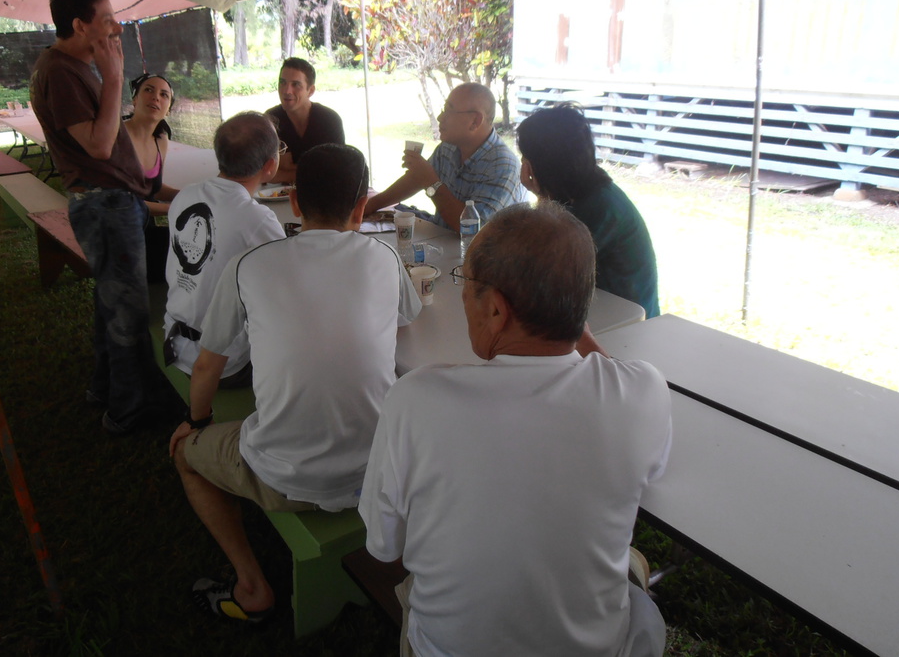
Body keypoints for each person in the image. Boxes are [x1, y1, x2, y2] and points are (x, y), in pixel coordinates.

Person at [359, 202, 673, 657]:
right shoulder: (643, 390)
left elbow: (384, 547)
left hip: (449, 649)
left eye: (465, 282)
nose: (463, 294)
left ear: (496, 311)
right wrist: (571, 324)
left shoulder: (416, 398)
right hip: (598, 647)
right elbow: (640, 437)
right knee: (632, 562)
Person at [170, 143, 421, 623]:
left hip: (284, 477)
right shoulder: (383, 256)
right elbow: (407, 317)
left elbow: (207, 366)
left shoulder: (251, 265)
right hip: (377, 469)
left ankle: (250, 584)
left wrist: (195, 422)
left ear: (295, 203)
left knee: (185, 455)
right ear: (362, 207)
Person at [30, 0, 166, 435]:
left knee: (112, 304)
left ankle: (104, 389)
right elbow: (101, 146)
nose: (117, 26)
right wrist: (112, 77)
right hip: (103, 204)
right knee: (128, 310)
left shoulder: (74, 66)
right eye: (107, 19)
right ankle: (129, 411)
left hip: (114, 202)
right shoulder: (61, 71)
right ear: (79, 25)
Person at [163, 112, 286, 384]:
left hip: (175, 341)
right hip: (224, 363)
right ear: (270, 165)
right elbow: (289, 283)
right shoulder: (256, 218)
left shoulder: (185, 195)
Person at [516, 103, 661, 318]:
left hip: (629, 325)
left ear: (545, 164)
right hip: (598, 313)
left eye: (526, 159)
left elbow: (541, 273)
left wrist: (540, 195)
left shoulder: (600, 207)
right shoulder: (578, 189)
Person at [363, 82, 526, 232]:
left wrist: (431, 183)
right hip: (444, 242)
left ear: (475, 121)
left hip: (481, 258)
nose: (441, 117)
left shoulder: (503, 167)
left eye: (449, 110)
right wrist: (370, 206)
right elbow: (415, 179)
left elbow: (471, 230)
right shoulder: (450, 147)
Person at [123, 72, 180, 283]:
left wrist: (184, 194)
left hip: (144, 225)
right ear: (135, 99)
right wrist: (175, 207)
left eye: (164, 95)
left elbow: (152, 188)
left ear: (169, 108)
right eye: (149, 90)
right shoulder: (118, 137)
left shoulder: (160, 139)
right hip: (118, 230)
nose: (156, 97)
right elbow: (123, 202)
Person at [264, 57, 345, 183]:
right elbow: (267, 173)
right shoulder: (271, 120)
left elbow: (335, 170)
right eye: (282, 82)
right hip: (279, 194)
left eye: (295, 84)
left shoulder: (329, 120)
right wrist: (314, 171)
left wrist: (287, 170)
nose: (287, 90)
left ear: (310, 91)